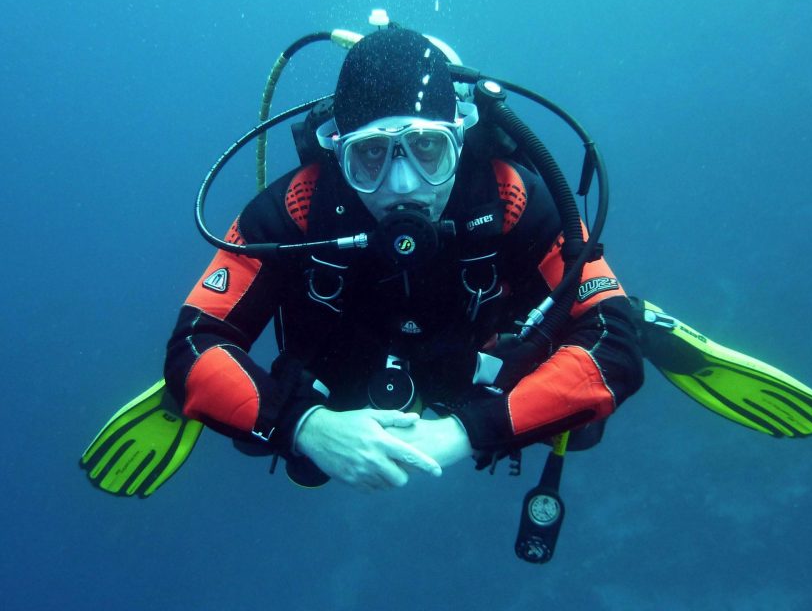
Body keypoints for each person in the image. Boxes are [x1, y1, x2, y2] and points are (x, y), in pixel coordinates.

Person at [162, 26, 645, 493]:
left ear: (459, 137)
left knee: (580, 428)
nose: (403, 185)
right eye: (370, 155)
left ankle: (649, 318)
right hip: (342, 374)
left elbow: (615, 341)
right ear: (337, 152)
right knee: (267, 440)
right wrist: (303, 426)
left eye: (427, 147)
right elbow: (192, 342)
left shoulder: (510, 196)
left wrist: (465, 431)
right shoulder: (297, 208)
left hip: (480, 363)